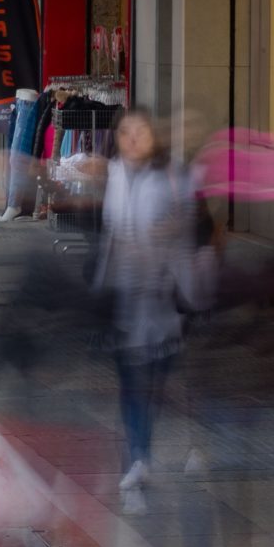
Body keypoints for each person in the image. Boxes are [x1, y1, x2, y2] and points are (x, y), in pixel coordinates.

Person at [92, 107, 198, 516]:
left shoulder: (172, 176)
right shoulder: (115, 174)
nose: (133, 139)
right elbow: (112, 235)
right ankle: (139, 458)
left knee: (155, 384)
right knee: (131, 384)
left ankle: (148, 451)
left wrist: (166, 235)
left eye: (141, 132)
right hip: (122, 297)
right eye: (125, 132)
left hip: (164, 297)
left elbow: (191, 227)